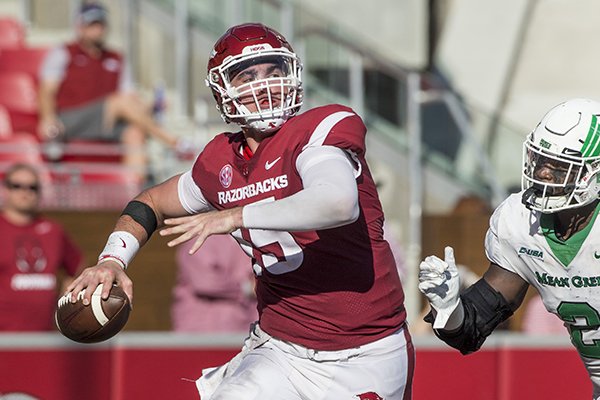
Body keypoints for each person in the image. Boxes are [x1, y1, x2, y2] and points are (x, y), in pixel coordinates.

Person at [65, 22, 414, 399]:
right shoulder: (220, 162)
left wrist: (235, 215)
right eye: (247, 76)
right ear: (223, 92)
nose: (264, 86)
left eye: (273, 72)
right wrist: (112, 260)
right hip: (280, 350)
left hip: (364, 353)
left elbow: (337, 202)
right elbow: (149, 203)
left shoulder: (321, 131)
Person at [418, 98, 600, 399]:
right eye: (542, 161)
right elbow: (472, 330)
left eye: (560, 166)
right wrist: (450, 308)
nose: (543, 173)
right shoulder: (522, 224)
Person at [37, 2, 185, 179]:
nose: (98, 29)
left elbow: (130, 98)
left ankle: (133, 198)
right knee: (117, 102)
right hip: (69, 119)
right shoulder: (64, 52)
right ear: (80, 27)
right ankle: (173, 141)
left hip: (107, 119)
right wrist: (47, 118)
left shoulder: (116, 58)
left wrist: (150, 106)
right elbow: (46, 90)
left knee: (134, 133)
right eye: (92, 25)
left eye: (100, 24)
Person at [0, 163, 82, 331]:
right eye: (17, 186)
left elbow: (77, 267)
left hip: (43, 335)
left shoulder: (53, 230)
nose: (25, 192)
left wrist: (66, 299)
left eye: (32, 187)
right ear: (6, 189)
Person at [172, 234, 257, 333]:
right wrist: (246, 288)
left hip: (242, 329)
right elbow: (205, 281)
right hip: (201, 330)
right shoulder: (202, 238)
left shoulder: (253, 241)